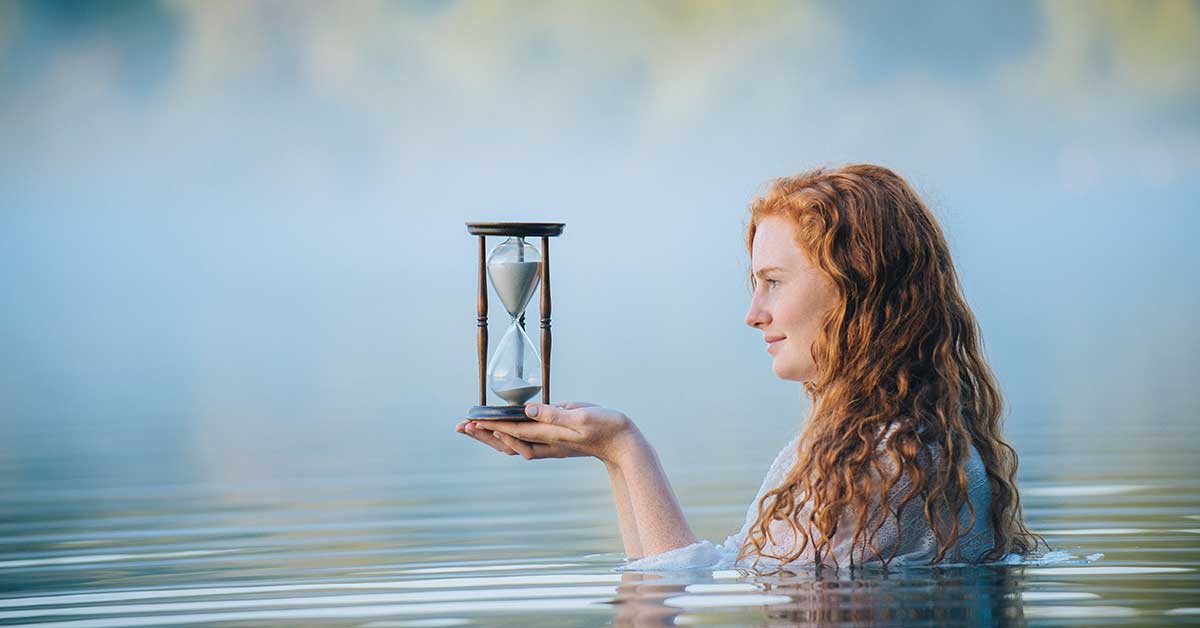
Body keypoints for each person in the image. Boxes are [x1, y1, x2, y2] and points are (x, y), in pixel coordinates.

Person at [455, 163, 1042, 569]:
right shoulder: (853, 444)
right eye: (754, 283)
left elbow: (673, 597)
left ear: (856, 290)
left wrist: (627, 451)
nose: (753, 313)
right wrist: (614, 459)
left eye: (774, 283)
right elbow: (700, 577)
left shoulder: (891, 461)